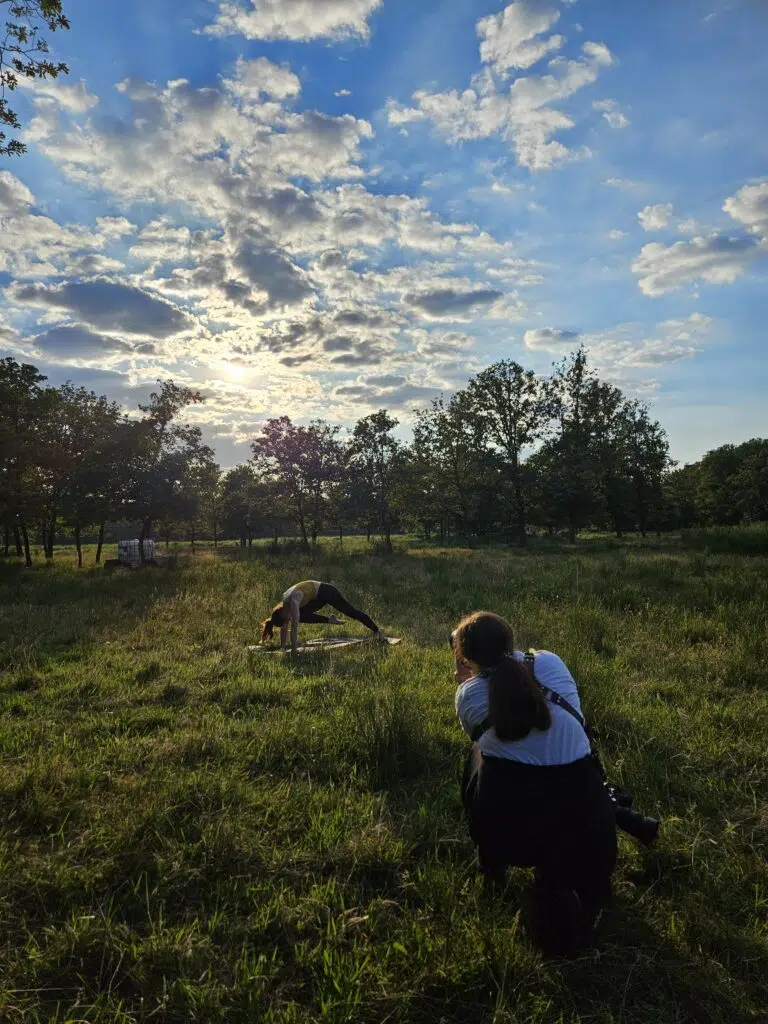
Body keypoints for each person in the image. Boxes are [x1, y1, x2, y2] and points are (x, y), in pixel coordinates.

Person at [452, 611, 617, 954]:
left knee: (477, 754)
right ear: (510, 638)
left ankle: (491, 864)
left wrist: (464, 679)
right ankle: (566, 882)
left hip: (516, 831)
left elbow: (493, 737)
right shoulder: (550, 661)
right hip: (586, 820)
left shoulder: (469, 694)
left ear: (467, 657)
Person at [260, 580, 385, 652]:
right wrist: (282, 647)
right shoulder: (283, 609)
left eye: (286, 619)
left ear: (283, 613)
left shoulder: (294, 601)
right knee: (300, 616)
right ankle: (330, 620)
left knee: (351, 612)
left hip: (327, 591)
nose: (288, 620)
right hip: (316, 598)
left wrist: (293, 649)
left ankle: (377, 630)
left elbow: (294, 628)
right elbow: (284, 626)